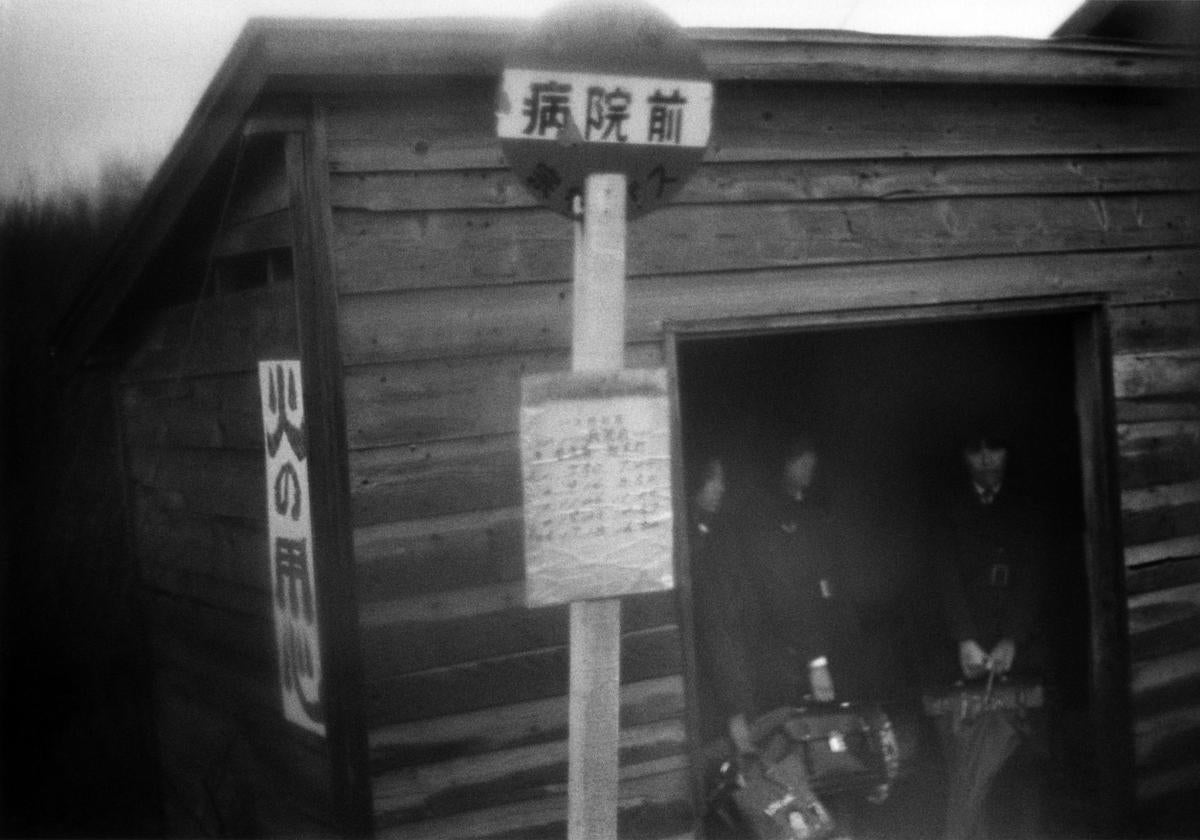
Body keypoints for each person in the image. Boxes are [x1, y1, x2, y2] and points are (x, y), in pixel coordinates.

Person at [698, 435, 865, 755]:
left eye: (810, 453)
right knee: (805, 745)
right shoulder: (761, 517)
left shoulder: (813, 510)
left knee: (840, 742)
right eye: (797, 455)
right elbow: (781, 591)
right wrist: (815, 658)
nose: (808, 461)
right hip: (790, 656)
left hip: (831, 643)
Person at [932, 435, 1052, 840]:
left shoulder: (1024, 505)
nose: (986, 459)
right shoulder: (948, 507)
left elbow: (1033, 574)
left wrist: (1013, 639)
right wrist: (964, 638)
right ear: (964, 456)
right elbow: (944, 574)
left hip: (1019, 650)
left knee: (1025, 758)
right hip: (967, 653)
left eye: (994, 449)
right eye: (976, 451)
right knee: (970, 761)